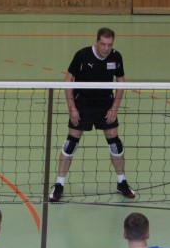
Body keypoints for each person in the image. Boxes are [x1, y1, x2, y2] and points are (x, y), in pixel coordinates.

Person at [49, 27, 137, 202]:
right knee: (71, 144)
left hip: (105, 104)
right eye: (103, 44)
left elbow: (121, 82)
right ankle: (59, 184)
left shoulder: (116, 57)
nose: (106, 48)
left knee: (115, 144)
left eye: (109, 44)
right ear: (97, 42)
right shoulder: (82, 55)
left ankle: (122, 182)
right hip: (82, 104)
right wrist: (72, 108)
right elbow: (68, 80)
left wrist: (114, 108)